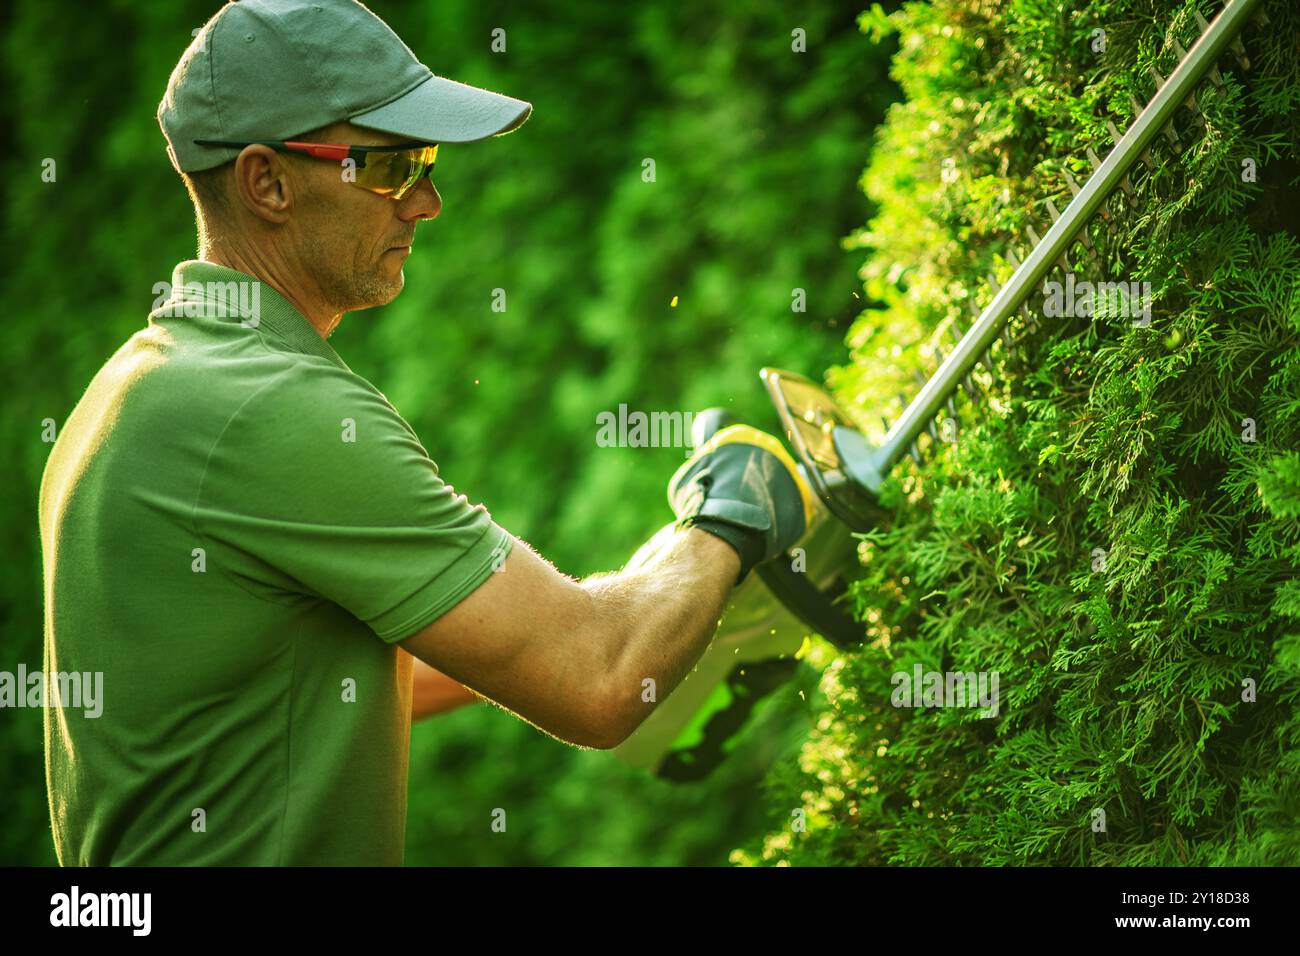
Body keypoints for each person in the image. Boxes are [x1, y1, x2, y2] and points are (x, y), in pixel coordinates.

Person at [39, 0, 810, 866]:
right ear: (267, 182)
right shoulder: (272, 412)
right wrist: (734, 511)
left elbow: (282, 690)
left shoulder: (132, 388)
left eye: (427, 162)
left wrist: (631, 599)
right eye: (391, 166)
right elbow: (600, 679)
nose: (429, 202)